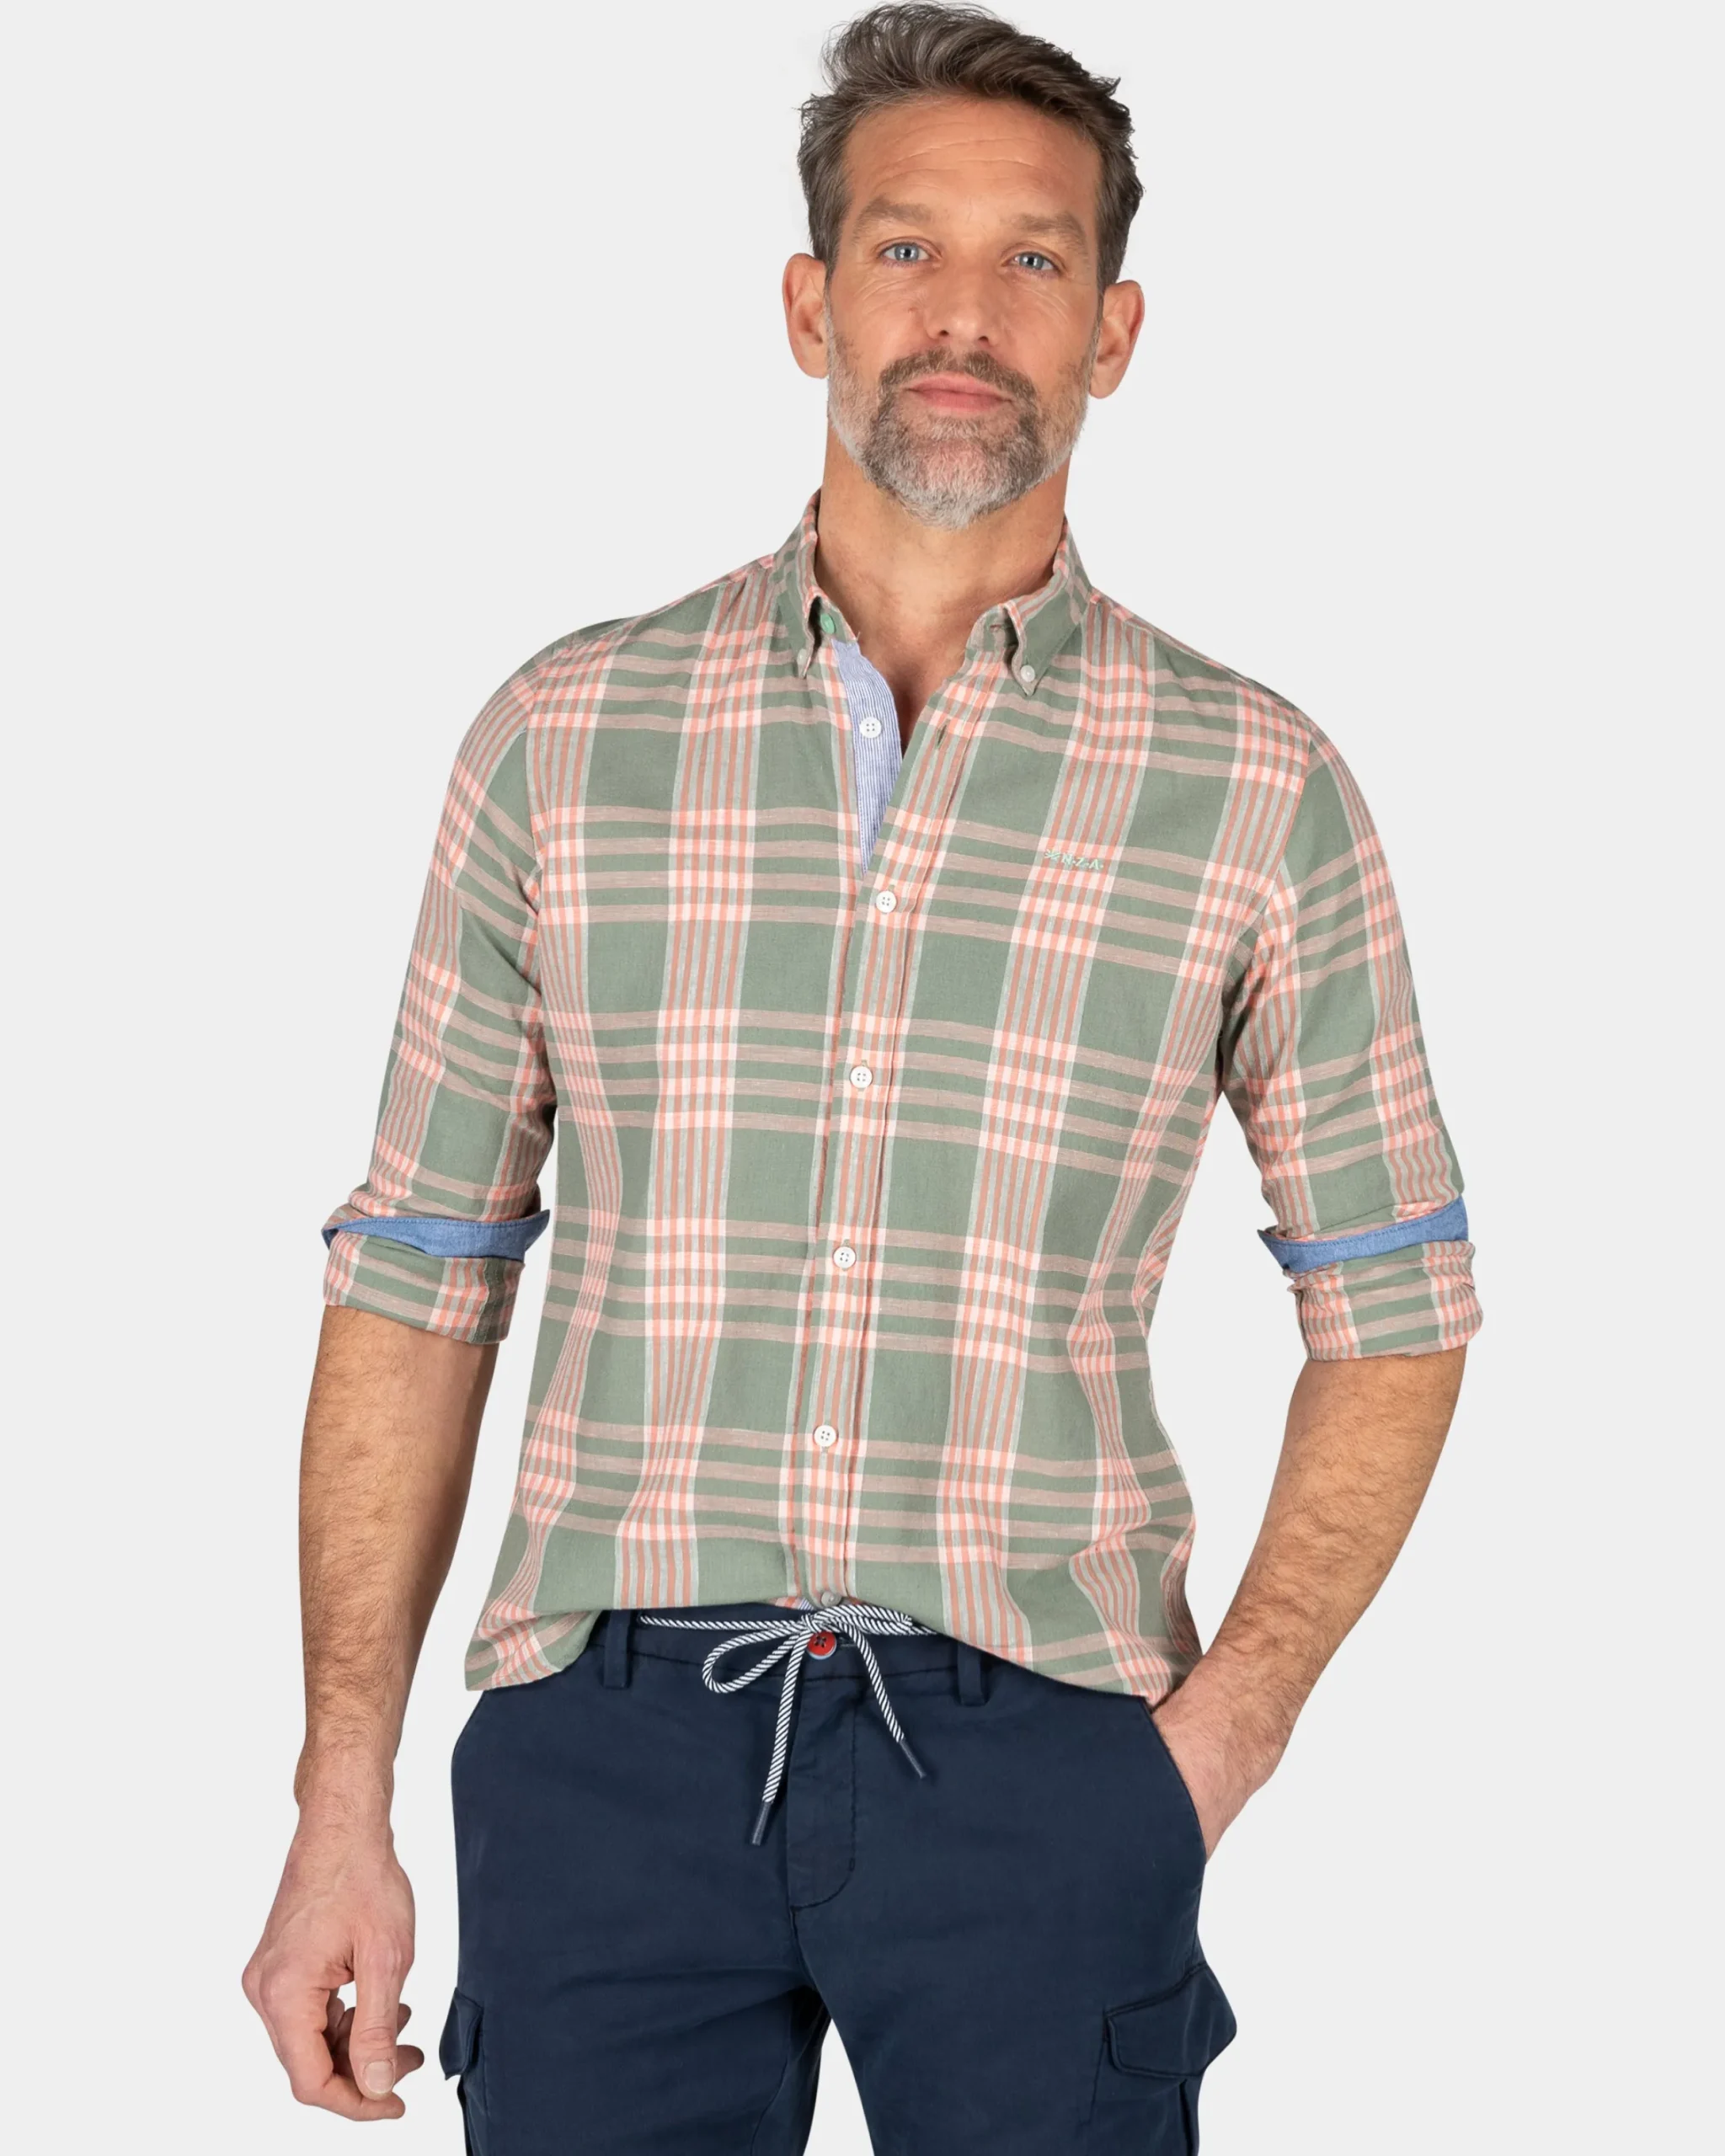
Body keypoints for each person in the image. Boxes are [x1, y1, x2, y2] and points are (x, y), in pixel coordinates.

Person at [243, 5, 1482, 2148]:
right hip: (605, 1749)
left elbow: (1398, 1298)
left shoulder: (1253, 787)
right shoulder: (566, 738)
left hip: (1045, 1751)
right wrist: (337, 1788)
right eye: (908, 249)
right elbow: (420, 1273)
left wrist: (1217, 1742)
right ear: (811, 303)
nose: (964, 316)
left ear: (1112, 333)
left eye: (1033, 259)